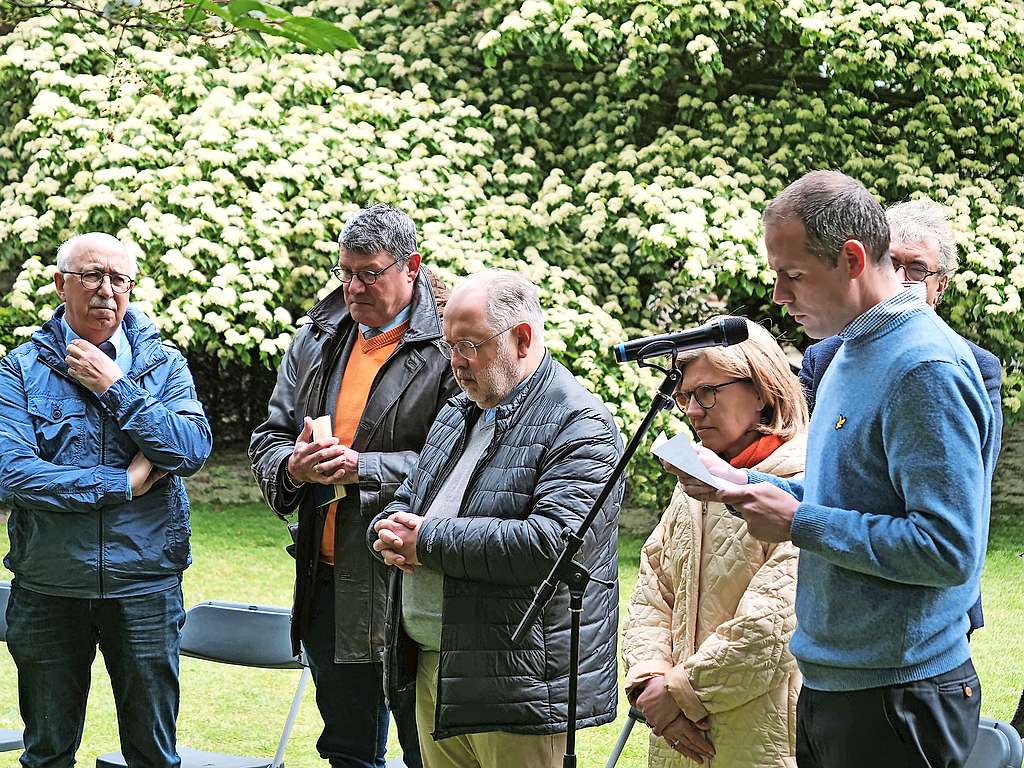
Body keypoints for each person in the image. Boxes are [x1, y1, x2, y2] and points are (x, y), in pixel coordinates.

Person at [679, 171, 996, 768]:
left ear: (851, 258)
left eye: (793, 275)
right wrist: (747, 485)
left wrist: (800, 521)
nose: (777, 295)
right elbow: (848, 496)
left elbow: (950, 551)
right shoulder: (851, 351)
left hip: (899, 696)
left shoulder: (923, 366)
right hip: (835, 686)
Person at [367, 269, 622, 768]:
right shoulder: (461, 408)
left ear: (522, 338)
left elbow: (552, 544)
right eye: (448, 346)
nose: (456, 364)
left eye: (469, 346)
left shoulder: (581, 423)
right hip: (438, 665)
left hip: (518, 686)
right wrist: (392, 527)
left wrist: (427, 542)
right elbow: (413, 495)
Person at [249, 204, 457, 768]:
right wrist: (295, 467)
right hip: (328, 575)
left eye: (370, 272)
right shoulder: (317, 337)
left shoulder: (451, 345)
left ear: (411, 267)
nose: (354, 286)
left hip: (411, 578)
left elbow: (466, 461)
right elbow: (270, 435)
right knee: (346, 749)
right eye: (346, 271)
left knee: (428, 750)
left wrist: (364, 468)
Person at [0, 232, 213, 768]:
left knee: (152, 755)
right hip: (49, 584)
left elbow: (189, 449)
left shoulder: (161, 364)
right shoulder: (19, 370)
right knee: (46, 753)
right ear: (60, 284)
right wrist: (122, 484)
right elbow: (13, 474)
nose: (106, 291)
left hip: (145, 585)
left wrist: (115, 386)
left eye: (120, 280)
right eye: (92, 276)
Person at [799, 198, 1002, 639]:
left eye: (918, 269)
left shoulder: (955, 365)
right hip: (835, 613)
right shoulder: (831, 355)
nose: (903, 279)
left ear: (941, 285)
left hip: (919, 625)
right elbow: (827, 475)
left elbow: (959, 508)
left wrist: (800, 521)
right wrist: (752, 485)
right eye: (893, 263)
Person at [622, 317, 808, 768]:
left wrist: (681, 693)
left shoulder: (804, 482)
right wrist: (651, 682)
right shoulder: (693, 482)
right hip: (676, 737)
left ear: (763, 391)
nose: (692, 409)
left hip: (758, 737)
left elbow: (775, 626)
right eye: (685, 396)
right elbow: (652, 592)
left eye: (707, 392)